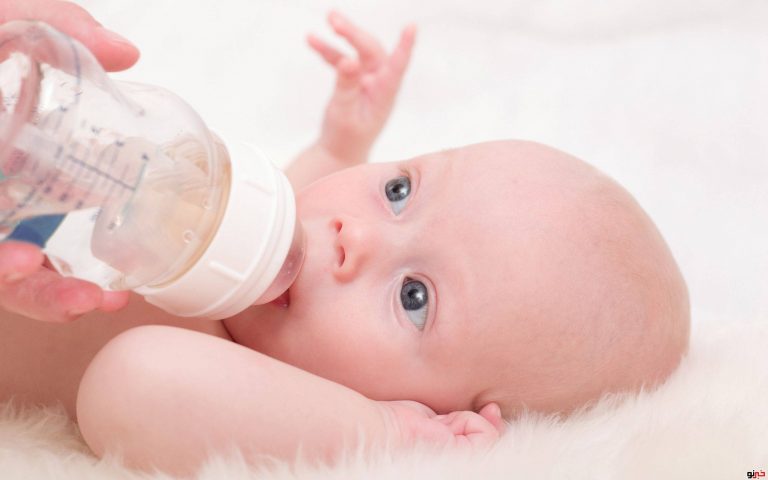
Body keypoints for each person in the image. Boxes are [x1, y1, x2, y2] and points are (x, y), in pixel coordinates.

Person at [0, 0, 690, 476]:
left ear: (431, 409)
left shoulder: (240, 384)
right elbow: (288, 223)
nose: (350, 236)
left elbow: (131, 378)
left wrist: (382, 435)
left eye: (414, 297)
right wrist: (338, 145)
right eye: (399, 192)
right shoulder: (254, 250)